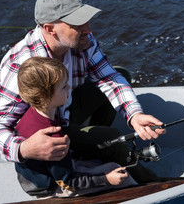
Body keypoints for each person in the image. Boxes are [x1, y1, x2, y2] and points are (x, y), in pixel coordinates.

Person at [0, 0, 164, 184]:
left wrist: (134, 115)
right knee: (113, 140)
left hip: (65, 105)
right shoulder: (22, 65)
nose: (88, 29)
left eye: (86, 19)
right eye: (77, 24)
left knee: (121, 75)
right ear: (49, 29)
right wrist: (24, 149)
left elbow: (108, 78)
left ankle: (88, 148)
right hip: (48, 126)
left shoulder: (82, 40)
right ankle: (151, 183)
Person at [15, 57, 137, 198]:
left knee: (96, 162)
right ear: (44, 96)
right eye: (63, 87)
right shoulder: (53, 139)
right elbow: (69, 182)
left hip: (35, 180)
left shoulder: (29, 114)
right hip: (54, 188)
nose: (69, 88)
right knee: (115, 170)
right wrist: (106, 179)